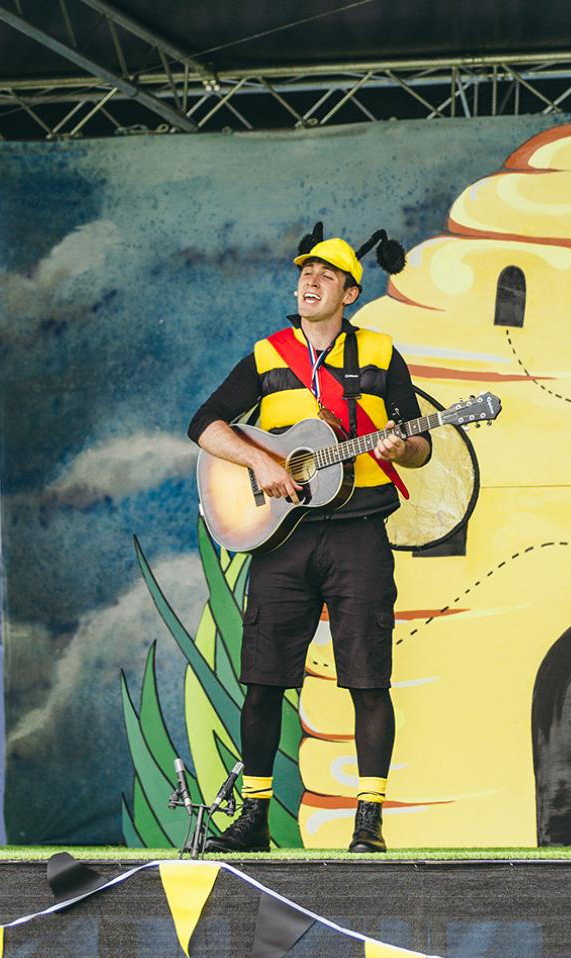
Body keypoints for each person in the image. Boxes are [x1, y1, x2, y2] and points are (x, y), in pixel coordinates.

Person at [188, 229, 431, 853]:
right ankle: (255, 818)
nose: (310, 282)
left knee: (367, 679)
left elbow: (420, 443)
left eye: (326, 276)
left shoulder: (380, 352)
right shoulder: (267, 355)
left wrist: (403, 444)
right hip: (281, 538)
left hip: (358, 535)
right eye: (305, 273)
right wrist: (262, 463)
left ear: (350, 292)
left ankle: (368, 821)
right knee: (264, 680)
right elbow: (204, 426)